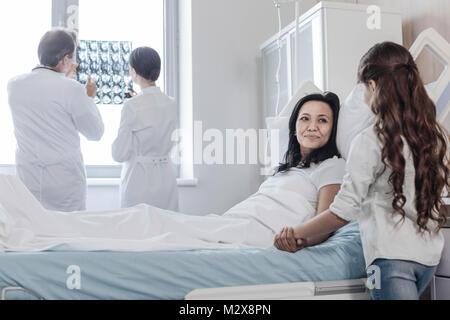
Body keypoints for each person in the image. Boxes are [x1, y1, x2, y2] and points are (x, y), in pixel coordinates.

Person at [0, 93, 347, 253]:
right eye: (305, 118)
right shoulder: (285, 169)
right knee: (144, 219)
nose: (312, 126)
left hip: (254, 238)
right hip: (230, 224)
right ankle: (36, 222)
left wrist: (298, 237)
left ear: (333, 128)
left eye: (322, 120)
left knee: (150, 224)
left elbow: (329, 217)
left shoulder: (332, 166)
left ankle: (38, 227)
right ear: (294, 125)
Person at [274, 42, 449, 300]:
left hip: (391, 261)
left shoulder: (370, 141)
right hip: (429, 258)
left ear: (373, 87)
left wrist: (296, 233)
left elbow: (343, 211)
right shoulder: (432, 136)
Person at [7, 28, 104, 212]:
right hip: (64, 185)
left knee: (33, 233)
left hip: (29, 181)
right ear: (65, 59)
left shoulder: (14, 85)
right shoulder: (73, 89)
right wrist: (89, 97)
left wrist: (63, 78)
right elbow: (95, 133)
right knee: (68, 235)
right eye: (72, 58)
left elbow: (46, 94)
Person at [112, 46, 179, 210]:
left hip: (139, 179)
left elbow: (119, 154)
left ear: (134, 72)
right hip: (166, 177)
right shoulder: (172, 104)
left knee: (137, 229)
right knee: (167, 228)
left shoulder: (132, 106)